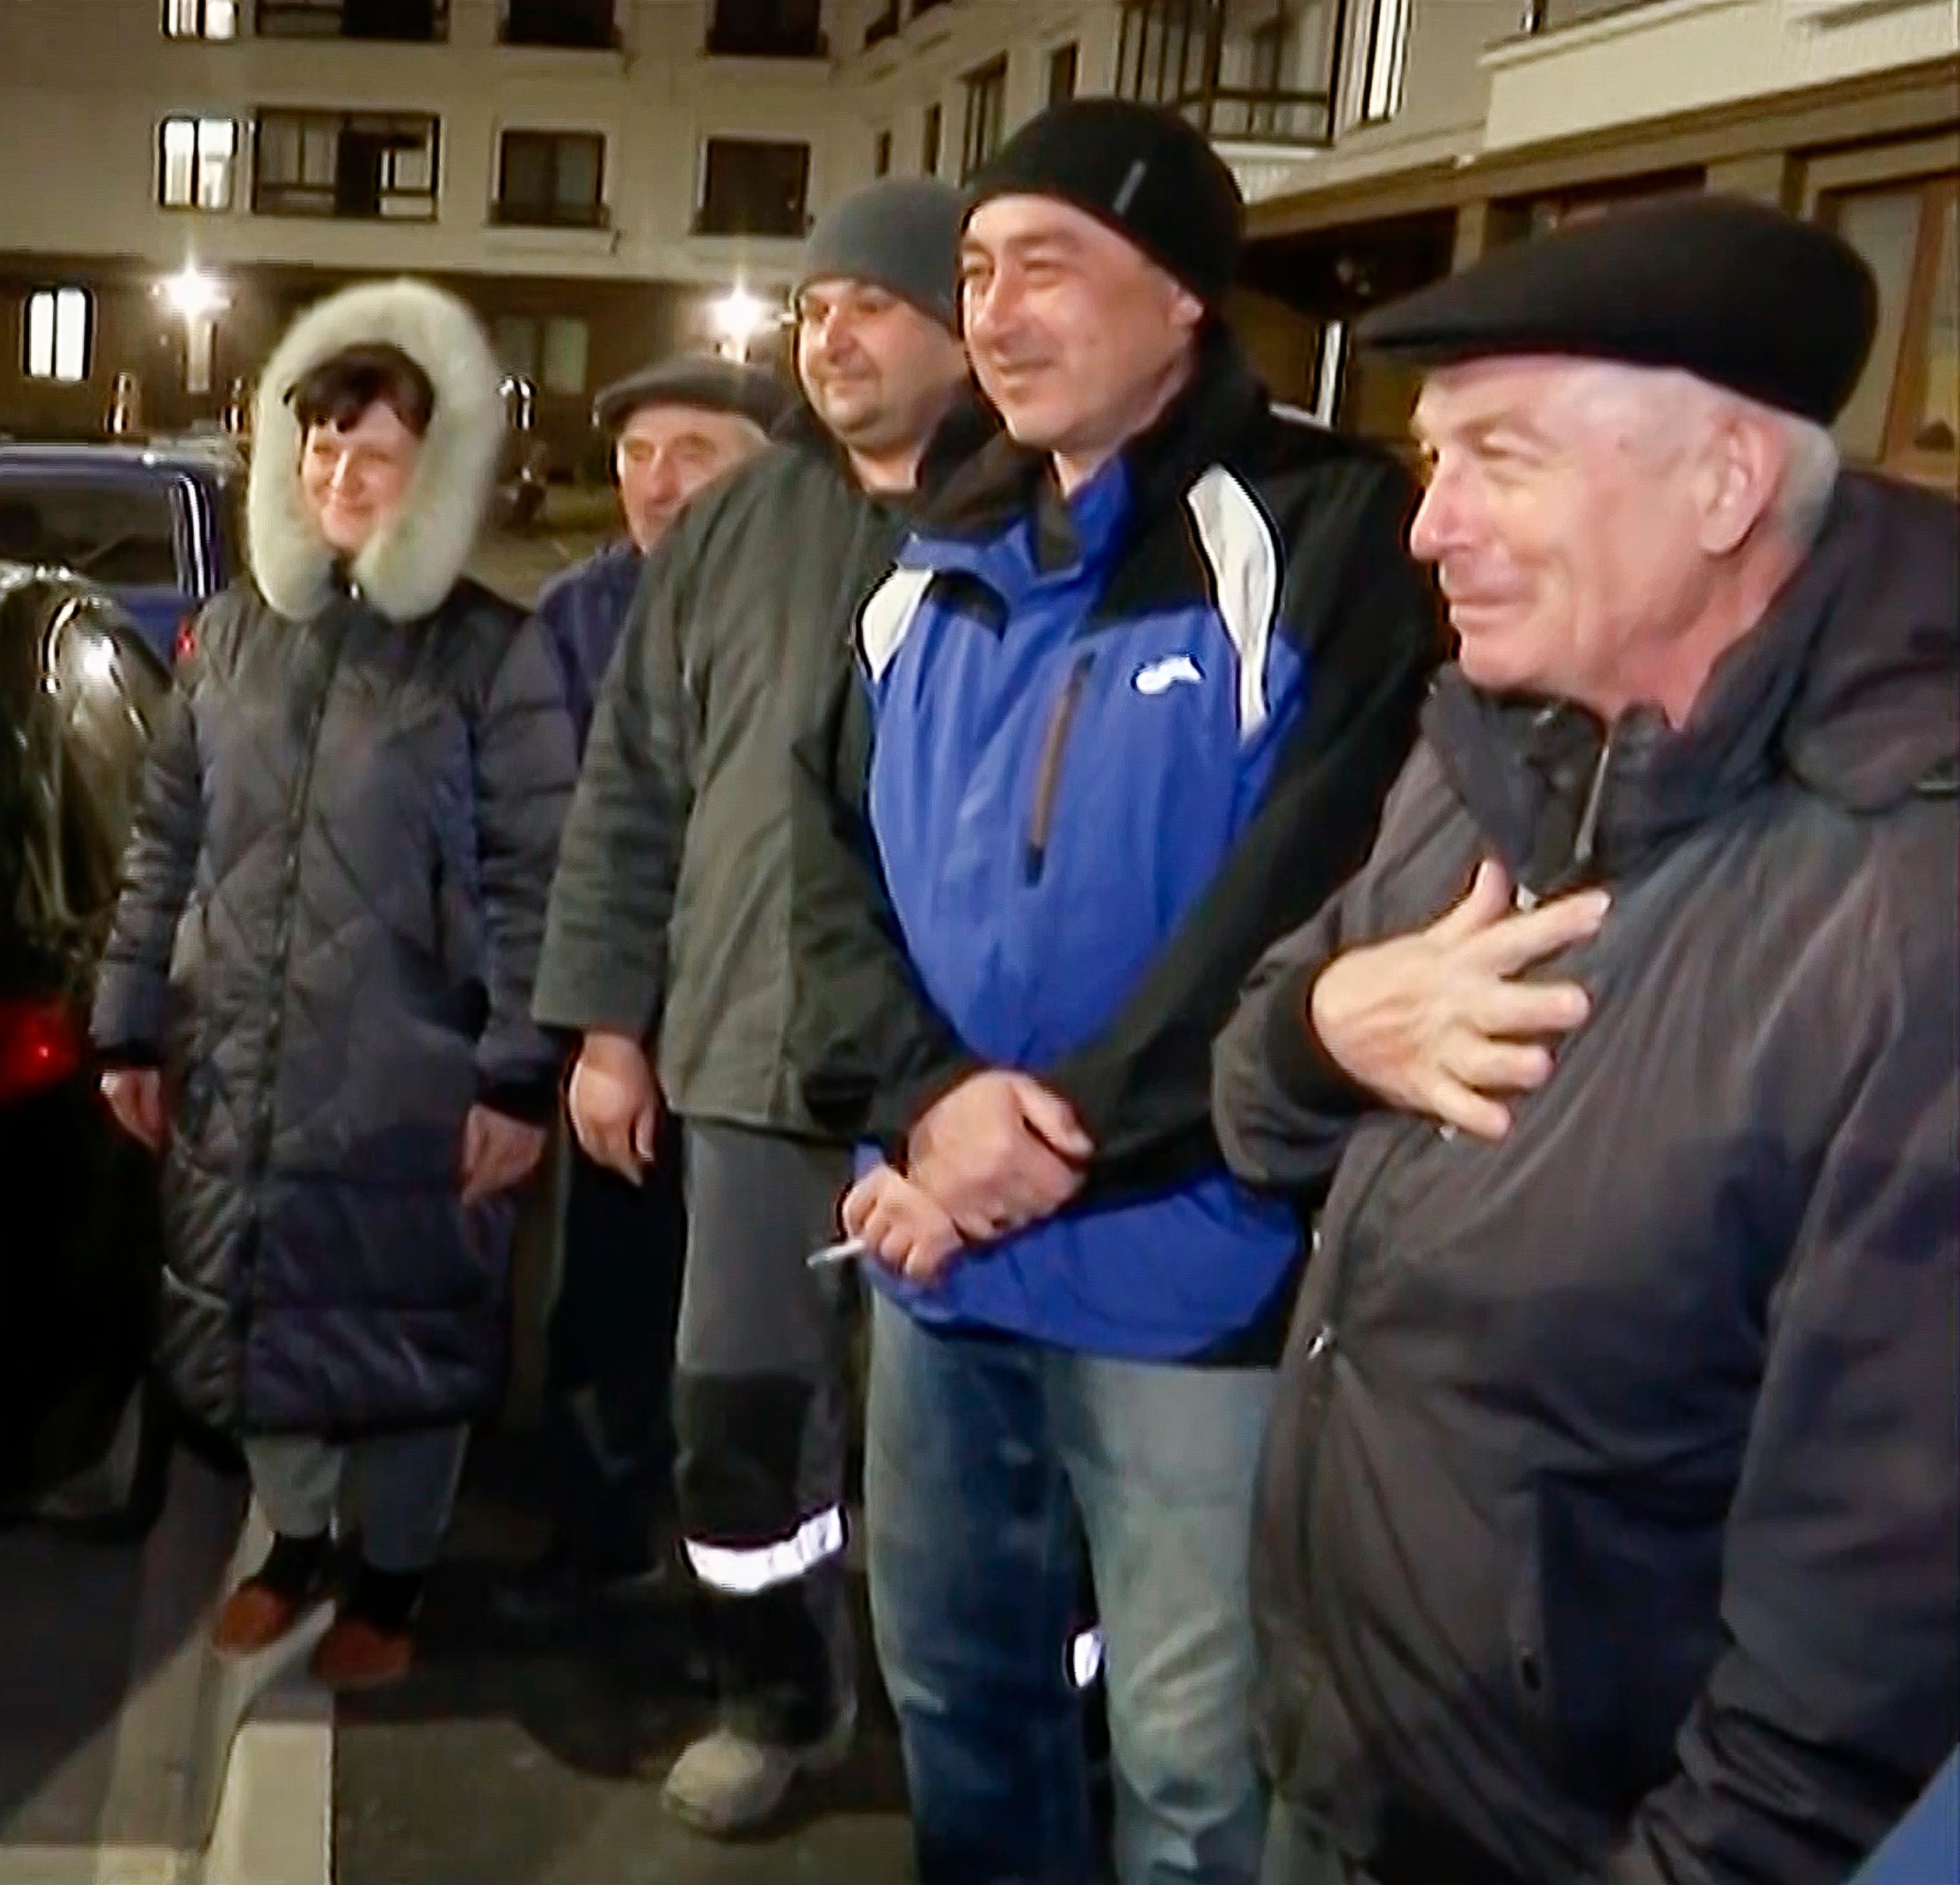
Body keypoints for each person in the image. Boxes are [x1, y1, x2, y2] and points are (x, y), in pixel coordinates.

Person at [1211, 193, 1958, 1885]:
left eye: (1500, 457)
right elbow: (1253, 1103)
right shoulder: (1493, 750)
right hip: (1349, 1773)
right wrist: (1328, 1029)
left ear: (1723, 485)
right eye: (1431, 459)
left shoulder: (1910, 908)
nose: (1427, 527)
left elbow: (1861, 1669)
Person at [791, 102, 1439, 1885]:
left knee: (1195, 1764)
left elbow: (1306, 894)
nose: (994, 313)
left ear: (1182, 297)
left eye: (1049, 266)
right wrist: (924, 1108)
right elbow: (825, 866)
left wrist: (1040, 1142)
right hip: (940, 1260)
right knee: (958, 1700)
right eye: (976, 270)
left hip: (1188, 1270)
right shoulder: (931, 558)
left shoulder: (1321, 535)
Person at [537, 177, 975, 1837]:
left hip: (964, 1086)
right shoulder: (736, 532)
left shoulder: (1036, 513)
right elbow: (632, 788)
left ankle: (1004, 1728)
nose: (832, 336)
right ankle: (775, 1704)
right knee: (738, 1422)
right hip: (743, 1057)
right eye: (816, 308)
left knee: (970, 1446)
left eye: (874, 304)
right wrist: (608, 1024)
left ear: (963, 330)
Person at [91, 279, 577, 1693]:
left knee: (409, 1337)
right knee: (256, 1320)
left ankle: (397, 1573)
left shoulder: (492, 653)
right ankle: (296, 1541)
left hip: (408, 1076)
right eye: (319, 450)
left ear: (438, 474)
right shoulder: (235, 636)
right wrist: (130, 1018)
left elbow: (538, 872)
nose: (340, 478)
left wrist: (517, 1075)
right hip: (239, 1060)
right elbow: (165, 838)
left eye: (375, 454)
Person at [494, 352, 791, 1637]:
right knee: (607, 1298)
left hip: (772, 1029)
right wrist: (599, 1027)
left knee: (760, 1328)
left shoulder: (816, 597)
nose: (659, 484)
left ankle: (755, 1585)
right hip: (628, 1022)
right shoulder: (579, 615)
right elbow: (573, 834)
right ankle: (599, 1538)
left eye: (695, 455)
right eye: (636, 457)